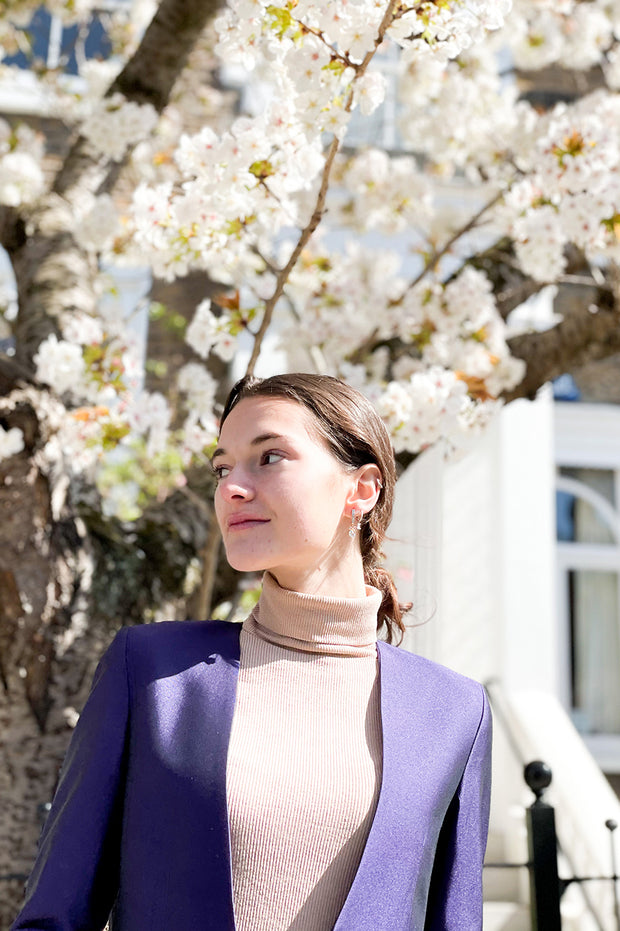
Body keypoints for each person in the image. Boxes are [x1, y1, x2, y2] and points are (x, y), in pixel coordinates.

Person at [11, 372, 492, 931]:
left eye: (268, 458)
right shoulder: (153, 675)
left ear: (361, 489)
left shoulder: (453, 712)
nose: (232, 487)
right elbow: (55, 916)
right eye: (222, 468)